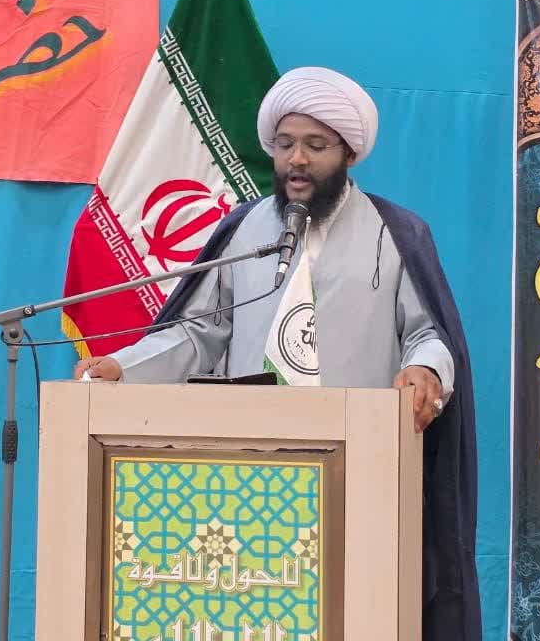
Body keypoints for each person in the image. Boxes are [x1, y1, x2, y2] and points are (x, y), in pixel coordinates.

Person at [73, 66, 480, 641]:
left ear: (349, 153)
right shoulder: (243, 229)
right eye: (285, 144)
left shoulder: (395, 233)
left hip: (357, 472)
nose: (297, 160)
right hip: (249, 476)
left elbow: (428, 334)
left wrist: (424, 369)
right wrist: (124, 366)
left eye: (316, 145)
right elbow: (198, 333)